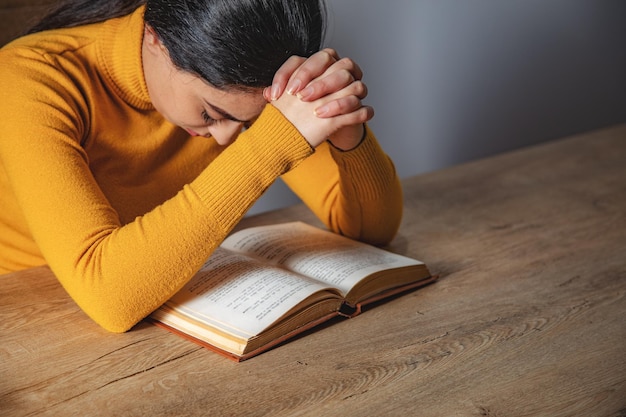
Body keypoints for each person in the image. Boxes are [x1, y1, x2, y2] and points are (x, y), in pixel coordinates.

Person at [0, 0, 403, 332]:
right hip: (32, 317)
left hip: (155, 307)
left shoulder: (246, 82)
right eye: (211, 113)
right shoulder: (29, 80)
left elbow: (372, 231)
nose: (228, 137)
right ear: (153, 36)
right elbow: (109, 298)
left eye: (246, 122)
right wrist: (272, 141)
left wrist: (347, 131)